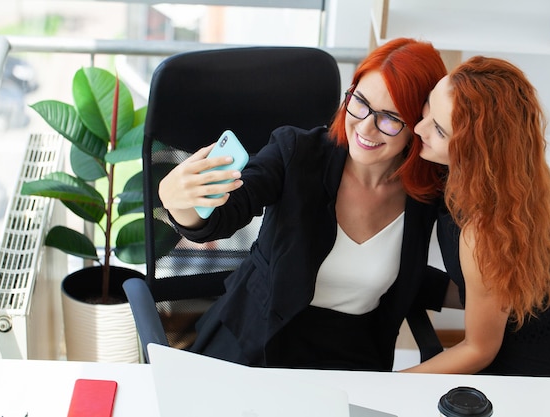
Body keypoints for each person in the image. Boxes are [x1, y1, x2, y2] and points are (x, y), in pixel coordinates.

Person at [158, 38, 449, 371]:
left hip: (351, 357)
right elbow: (223, 216)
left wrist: (488, 298)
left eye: (390, 118)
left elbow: (395, 271)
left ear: (420, 125)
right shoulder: (296, 151)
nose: (366, 126)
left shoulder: (426, 190)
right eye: (361, 103)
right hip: (254, 344)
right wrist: (177, 200)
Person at [402, 56, 550, 377]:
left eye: (440, 131)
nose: (419, 128)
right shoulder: (511, 186)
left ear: (477, 149)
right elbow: (489, 296)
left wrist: (390, 385)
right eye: (429, 105)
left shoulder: (484, 230)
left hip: (529, 387)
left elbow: (478, 350)